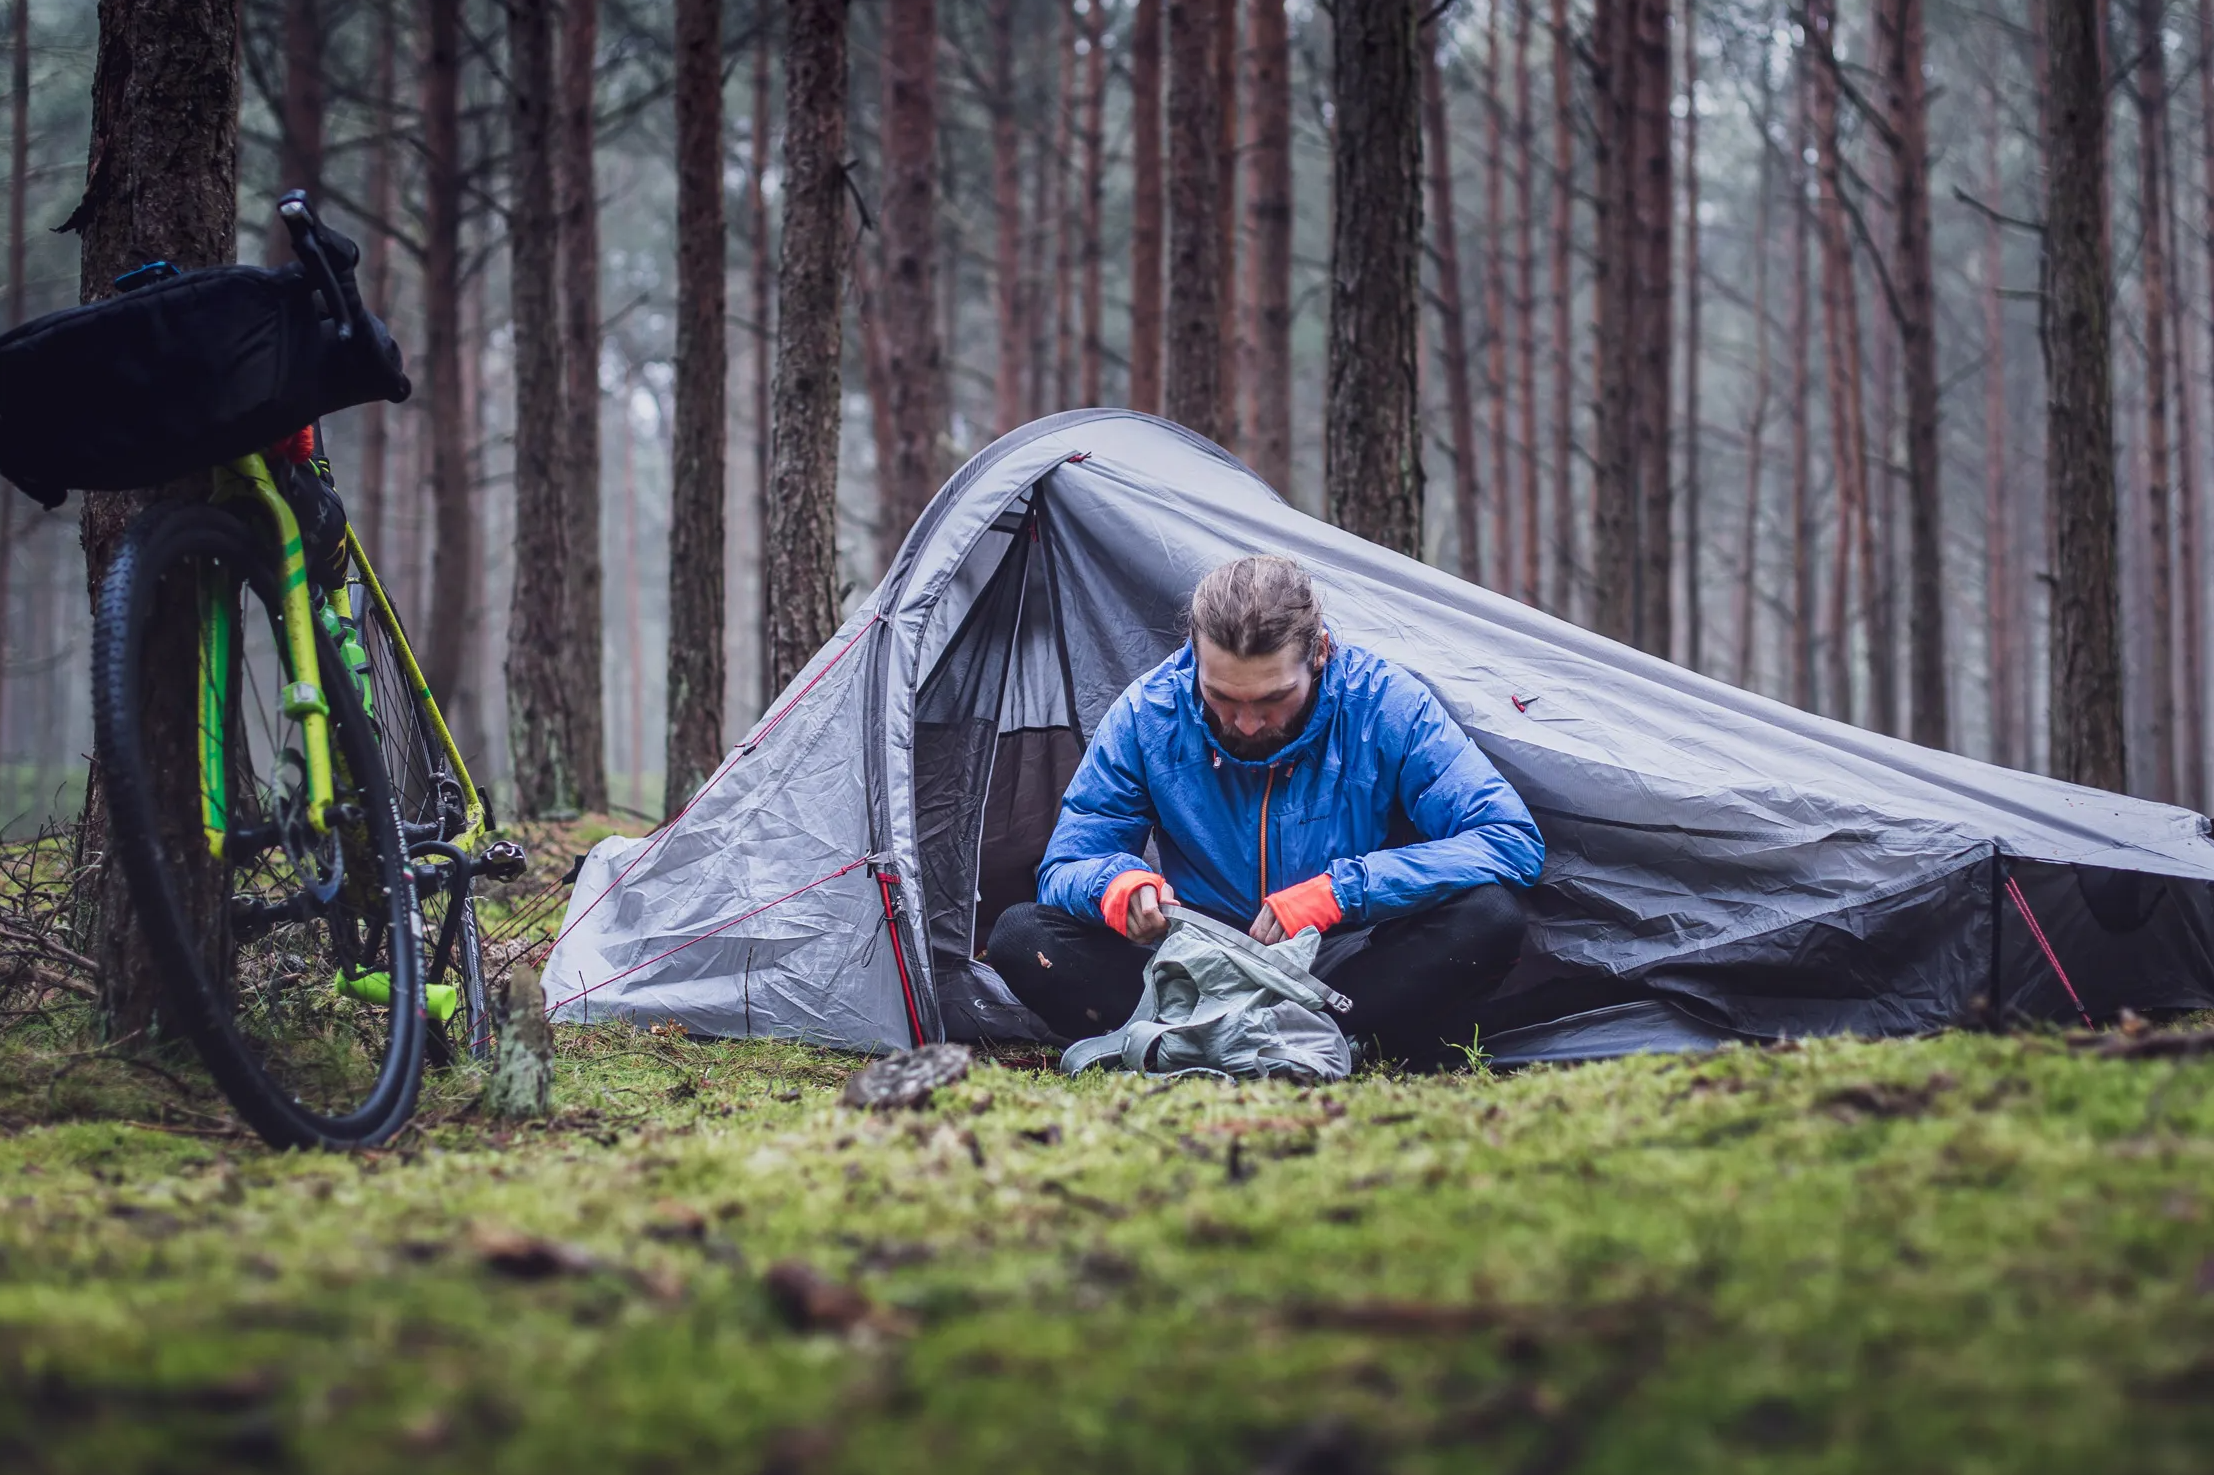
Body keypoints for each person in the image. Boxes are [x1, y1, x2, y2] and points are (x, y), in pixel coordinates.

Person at [988, 554, 1545, 1070]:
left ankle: (1247, 1042)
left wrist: (1340, 892)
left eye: (1273, 699)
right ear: (1194, 654)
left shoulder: (1386, 704)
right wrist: (1116, 887)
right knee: (1020, 936)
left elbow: (1509, 839)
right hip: (1191, 966)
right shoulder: (1145, 714)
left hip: (1338, 963)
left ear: (1320, 653)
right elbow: (1065, 867)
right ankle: (1267, 1043)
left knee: (1489, 919)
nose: (1247, 723)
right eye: (1223, 697)